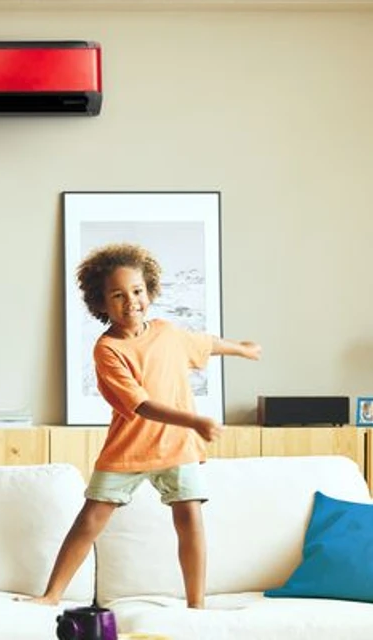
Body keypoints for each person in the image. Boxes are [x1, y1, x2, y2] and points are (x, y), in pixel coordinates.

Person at [23, 243, 261, 609]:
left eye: (137, 291)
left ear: (149, 291)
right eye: (117, 295)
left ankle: (196, 605)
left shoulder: (168, 332)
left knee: (189, 518)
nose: (130, 301)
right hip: (128, 449)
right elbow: (142, 405)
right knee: (90, 520)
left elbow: (204, 343)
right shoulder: (108, 350)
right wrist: (194, 421)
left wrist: (240, 348)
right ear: (100, 304)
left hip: (176, 447)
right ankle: (51, 595)